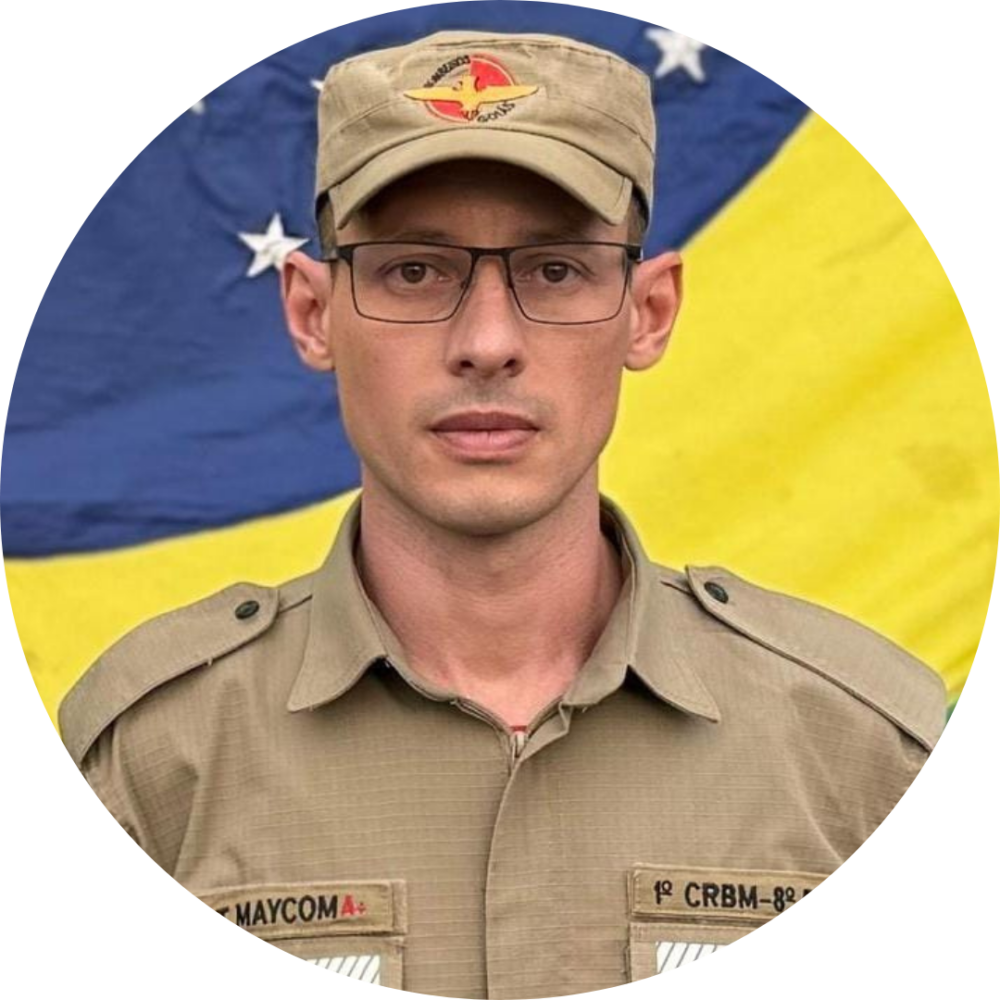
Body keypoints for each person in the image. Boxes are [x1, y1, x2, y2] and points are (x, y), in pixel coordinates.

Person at [59, 29, 946, 994]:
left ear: (648, 312)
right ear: (313, 313)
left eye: (556, 270)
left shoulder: (862, 749)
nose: (487, 342)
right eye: (414, 270)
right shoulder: (153, 757)